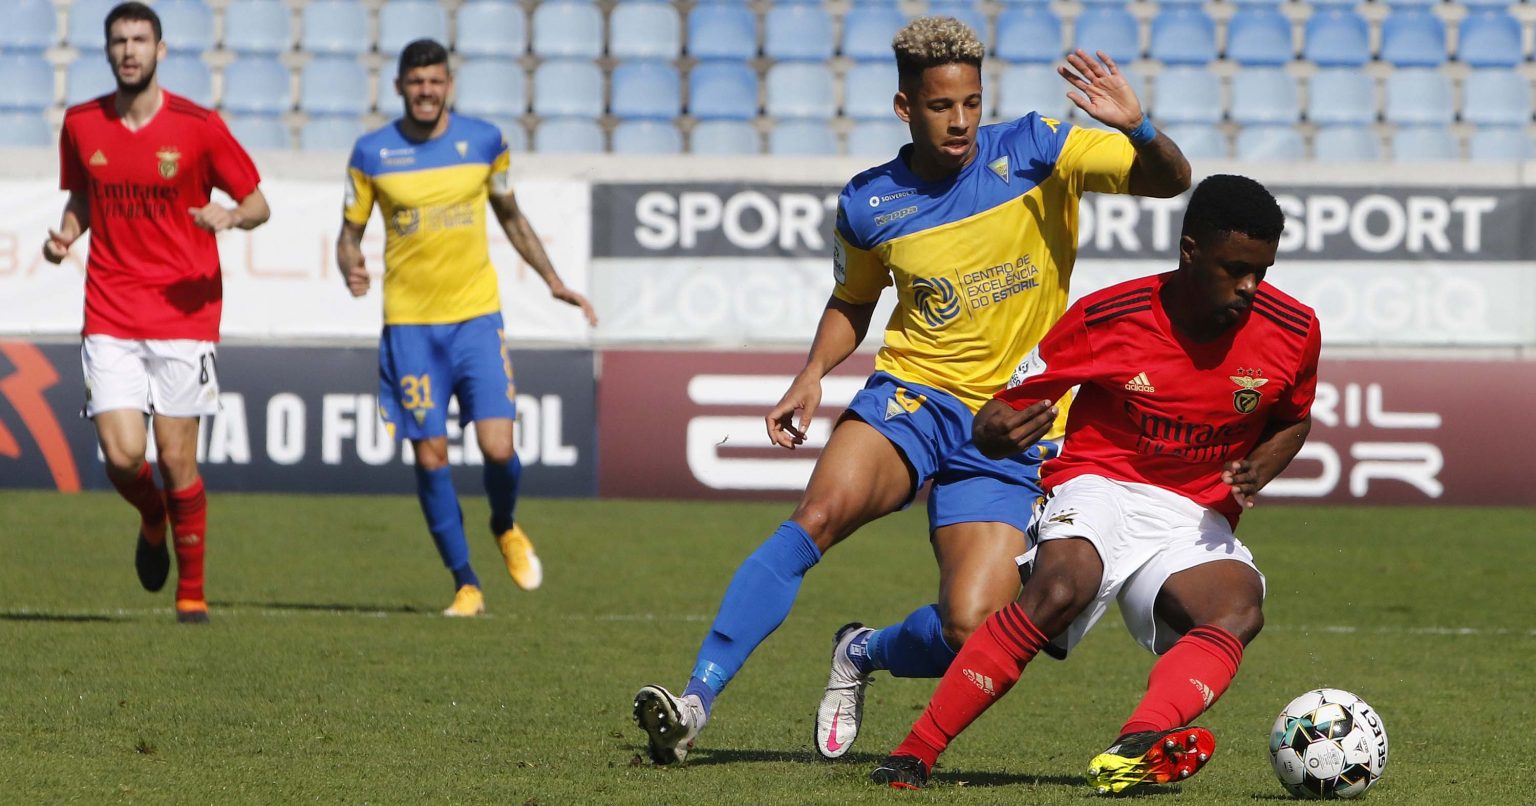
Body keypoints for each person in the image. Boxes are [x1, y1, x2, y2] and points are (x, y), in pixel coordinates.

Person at [633, 16, 1191, 764]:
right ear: (906, 107)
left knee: (972, 627)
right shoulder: (870, 203)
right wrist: (811, 374)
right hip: (914, 395)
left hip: (1016, 423)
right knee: (818, 515)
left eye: (971, 102)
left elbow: (1172, 181)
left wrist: (1141, 126)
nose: (960, 120)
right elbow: (853, 303)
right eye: (940, 106)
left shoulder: (1038, 147)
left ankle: (863, 651)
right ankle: (695, 700)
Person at [868, 174, 1321, 793]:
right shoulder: (1109, 316)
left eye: (1261, 271)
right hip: (1098, 480)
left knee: (1238, 606)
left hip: (1193, 514)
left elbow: (1294, 418)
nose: (1250, 286)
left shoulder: (1294, 329)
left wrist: (1270, 458)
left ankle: (1136, 743)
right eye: (1235, 268)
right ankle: (914, 751)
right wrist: (997, 431)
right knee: (1059, 588)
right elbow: (1000, 413)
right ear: (1190, 250)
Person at [335, 39, 597, 618]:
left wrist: (552, 279)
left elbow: (511, 214)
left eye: (435, 81)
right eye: (415, 81)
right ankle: (465, 583)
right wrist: (347, 261)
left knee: (497, 448)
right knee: (430, 458)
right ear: (400, 86)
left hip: (476, 319)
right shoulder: (372, 152)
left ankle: (503, 523)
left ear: (448, 85)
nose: (425, 90)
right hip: (410, 327)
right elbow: (349, 232)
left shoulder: (484, 142)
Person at [43, 1, 270, 624]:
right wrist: (66, 235)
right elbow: (83, 195)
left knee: (175, 459)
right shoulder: (83, 124)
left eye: (140, 39)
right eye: (119, 40)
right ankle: (151, 516)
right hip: (111, 309)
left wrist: (229, 214)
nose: (129, 50)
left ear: (161, 50)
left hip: (184, 313)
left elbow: (257, 203)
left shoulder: (198, 126)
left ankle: (191, 591)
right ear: (108, 50)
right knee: (122, 457)